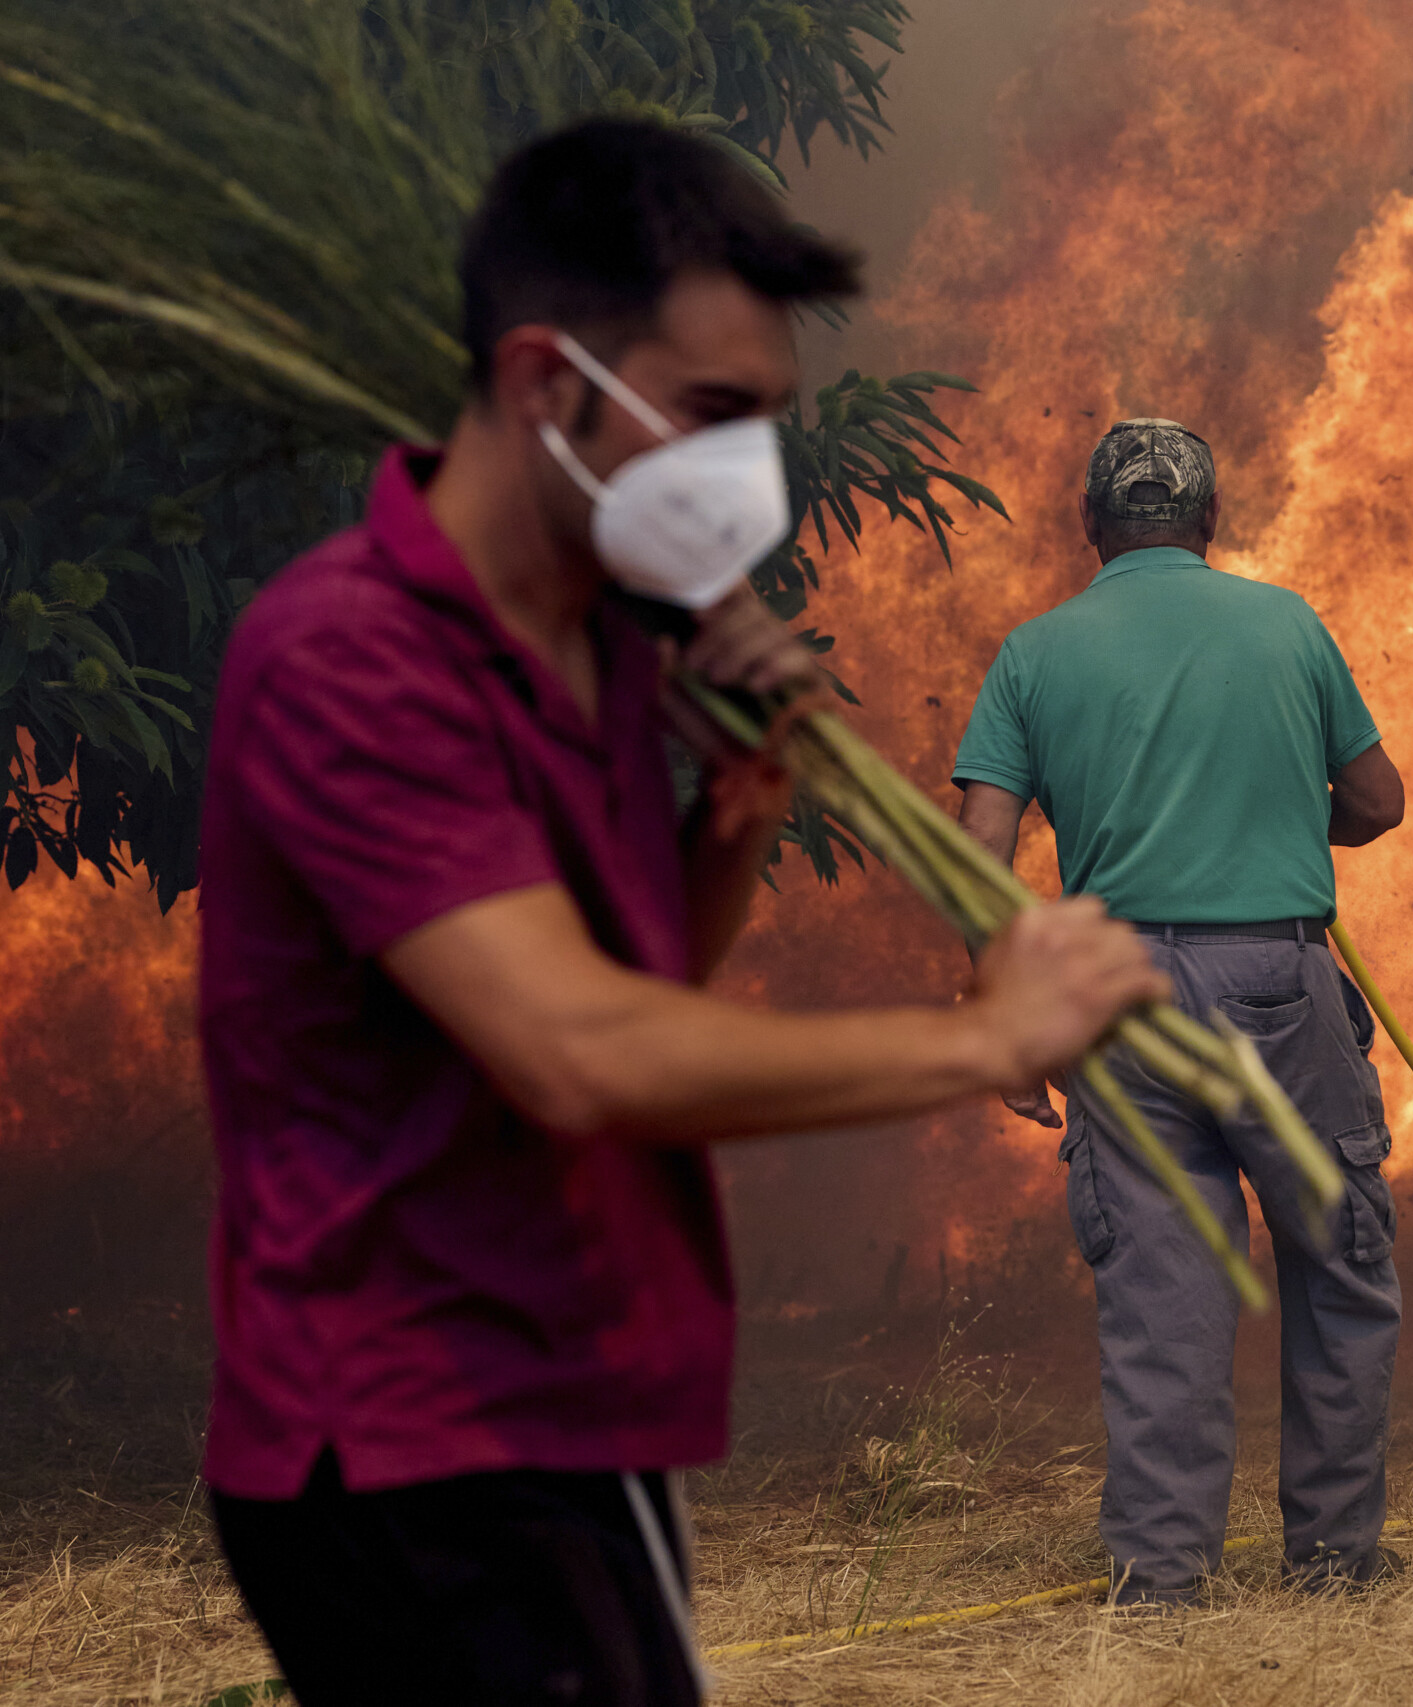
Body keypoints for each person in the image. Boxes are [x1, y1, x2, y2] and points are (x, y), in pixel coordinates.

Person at [195, 119, 1167, 1707]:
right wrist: (985, 1030)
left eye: (765, 422)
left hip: (565, 1384)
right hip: (416, 1426)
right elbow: (577, 1050)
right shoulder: (352, 659)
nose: (744, 471)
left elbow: (636, 983)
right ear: (540, 382)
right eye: (710, 414)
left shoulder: (605, 648)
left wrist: (737, 815)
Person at [951, 418, 1408, 1607]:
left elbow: (978, 850)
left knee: (1164, 1291)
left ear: (1092, 529)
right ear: (1208, 523)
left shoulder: (1035, 652)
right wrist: (1267, 817)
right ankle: (1334, 1564)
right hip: (1276, 982)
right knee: (1338, 1265)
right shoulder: (1286, 623)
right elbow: (1375, 799)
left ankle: (1160, 1586)